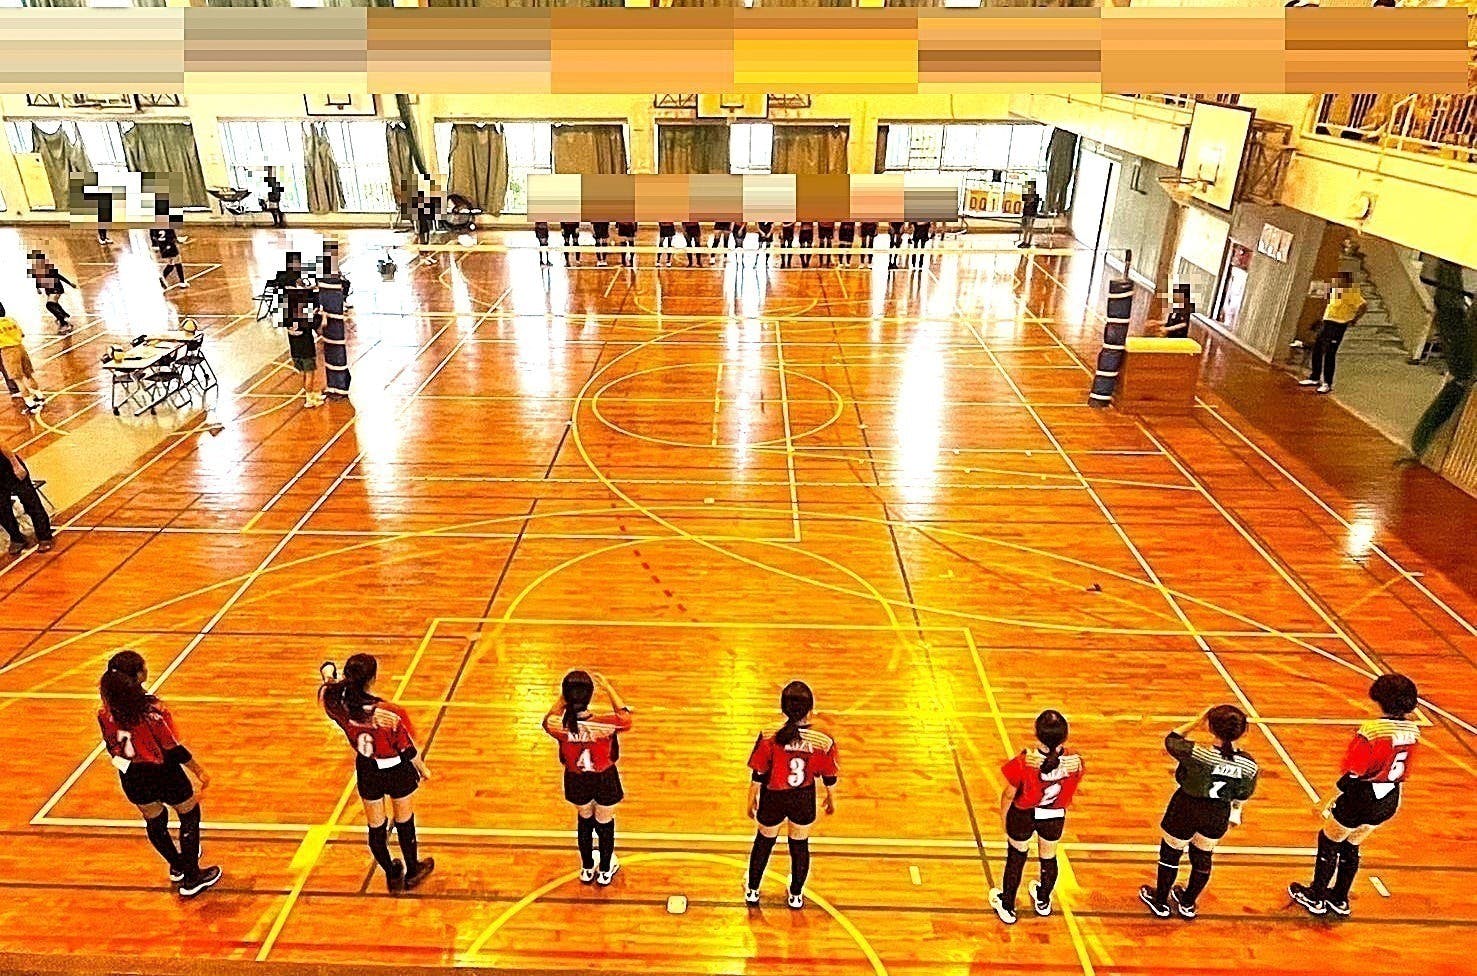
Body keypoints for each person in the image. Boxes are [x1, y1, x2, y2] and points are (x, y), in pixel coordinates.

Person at [1289, 674, 1420, 918]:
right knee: (1352, 844)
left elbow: (1354, 773)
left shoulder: (1372, 731)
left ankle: (1316, 896)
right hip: (1389, 797)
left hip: (1361, 797)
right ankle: (1340, 898)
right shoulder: (1413, 730)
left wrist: (1325, 800)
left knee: (1329, 841)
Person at [98, 650, 221, 898]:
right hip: (162, 772)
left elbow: (112, 746)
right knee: (189, 814)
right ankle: (192, 877)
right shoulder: (153, 712)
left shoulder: (105, 713)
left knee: (155, 820)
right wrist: (199, 771)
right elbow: (171, 747)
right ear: (137, 676)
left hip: (132, 775)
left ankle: (177, 864)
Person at [320, 654, 435, 893]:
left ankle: (391, 872)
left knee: (376, 827)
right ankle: (413, 870)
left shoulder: (337, 703)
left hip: (368, 769)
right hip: (396, 769)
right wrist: (422, 768)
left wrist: (328, 675)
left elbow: (328, 687)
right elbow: (406, 747)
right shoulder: (389, 713)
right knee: (404, 821)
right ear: (372, 679)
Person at [1140, 705, 1258, 919]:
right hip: (1217, 813)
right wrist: (1236, 811)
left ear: (1210, 728)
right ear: (1243, 731)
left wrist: (1196, 721)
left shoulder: (1197, 754)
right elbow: (1244, 793)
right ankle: (1188, 903)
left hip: (1186, 807)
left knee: (1171, 853)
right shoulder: (1249, 765)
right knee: (1203, 856)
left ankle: (1160, 901)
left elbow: (1172, 739)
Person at [745, 681, 838, 910]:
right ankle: (796, 894)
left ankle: (753, 890)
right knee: (799, 845)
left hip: (773, 797)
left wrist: (751, 797)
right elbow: (829, 775)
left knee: (763, 843)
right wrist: (831, 798)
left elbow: (759, 772)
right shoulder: (822, 740)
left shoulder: (769, 734)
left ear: (783, 708)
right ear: (810, 709)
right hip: (802, 798)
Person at [988, 710, 1085, 925]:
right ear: (1065, 736)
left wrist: (1004, 819)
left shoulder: (1024, 762)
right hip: (1054, 815)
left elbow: (1008, 794)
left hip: (1023, 815)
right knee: (1049, 857)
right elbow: (1072, 771)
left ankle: (1007, 905)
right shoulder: (1075, 763)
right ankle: (1043, 900)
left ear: (1037, 734)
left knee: (1016, 857)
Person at [542, 670, 633, 886]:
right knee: (605, 823)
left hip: (576, 779)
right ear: (590, 695)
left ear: (567, 696)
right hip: (604, 779)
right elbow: (625, 718)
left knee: (584, 820)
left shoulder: (559, 726)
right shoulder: (605, 724)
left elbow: (547, 720)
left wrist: (563, 699)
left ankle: (586, 867)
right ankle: (604, 870)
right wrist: (608, 687)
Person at [1300, 271, 1367, 394]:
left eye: (1339, 280)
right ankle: (1314, 377)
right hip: (1327, 322)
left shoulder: (1351, 293)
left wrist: (1354, 319)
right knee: (1317, 348)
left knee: (1330, 353)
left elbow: (1363, 306)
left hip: (1338, 324)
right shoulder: (1335, 290)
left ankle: (1327, 383)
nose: (1336, 282)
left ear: (1346, 281)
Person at [281, 255, 323, 408]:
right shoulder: (301, 306)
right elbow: (310, 323)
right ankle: (309, 398)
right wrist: (318, 316)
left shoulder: (286, 306)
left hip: (294, 346)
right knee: (309, 371)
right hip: (305, 344)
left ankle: (311, 394)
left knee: (305, 372)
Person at [0, 438, 53, 555]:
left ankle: (44, 536)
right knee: (2, 510)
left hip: (7, 467)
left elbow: (2, 445)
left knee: (30, 502)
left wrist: (16, 465)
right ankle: (16, 539)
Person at [316, 242, 352, 398]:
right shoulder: (328, 281)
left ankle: (339, 386)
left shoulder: (331, 283)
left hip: (332, 325)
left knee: (335, 351)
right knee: (332, 351)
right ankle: (335, 385)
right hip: (330, 325)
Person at [0, 304, 44, 412]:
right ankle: (40, 397)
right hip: (20, 348)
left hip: (8, 352)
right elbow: (22, 334)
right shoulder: (11, 320)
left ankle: (31, 404)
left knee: (18, 380)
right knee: (28, 375)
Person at [27, 251, 76, 335]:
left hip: (56, 288)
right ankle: (63, 316)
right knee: (54, 304)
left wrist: (69, 283)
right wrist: (38, 288)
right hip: (50, 290)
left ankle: (64, 322)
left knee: (50, 304)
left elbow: (59, 276)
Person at [150, 222, 188, 290]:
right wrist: (179, 241)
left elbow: (153, 236)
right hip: (170, 245)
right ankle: (182, 282)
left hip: (162, 246)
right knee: (178, 261)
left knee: (171, 263)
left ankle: (163, 277)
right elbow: (172, 236)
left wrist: (155, 245)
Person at [1019, 182, 1041, 248]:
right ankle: (1024, 241)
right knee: (1024, 229)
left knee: (1029, 228)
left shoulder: (1035, 196)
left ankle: (1028, 242)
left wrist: (1030, 201)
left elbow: (1034, 206)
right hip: (1025, 214)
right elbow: (1025, 205)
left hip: (1031, 215)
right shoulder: (1027, 196)